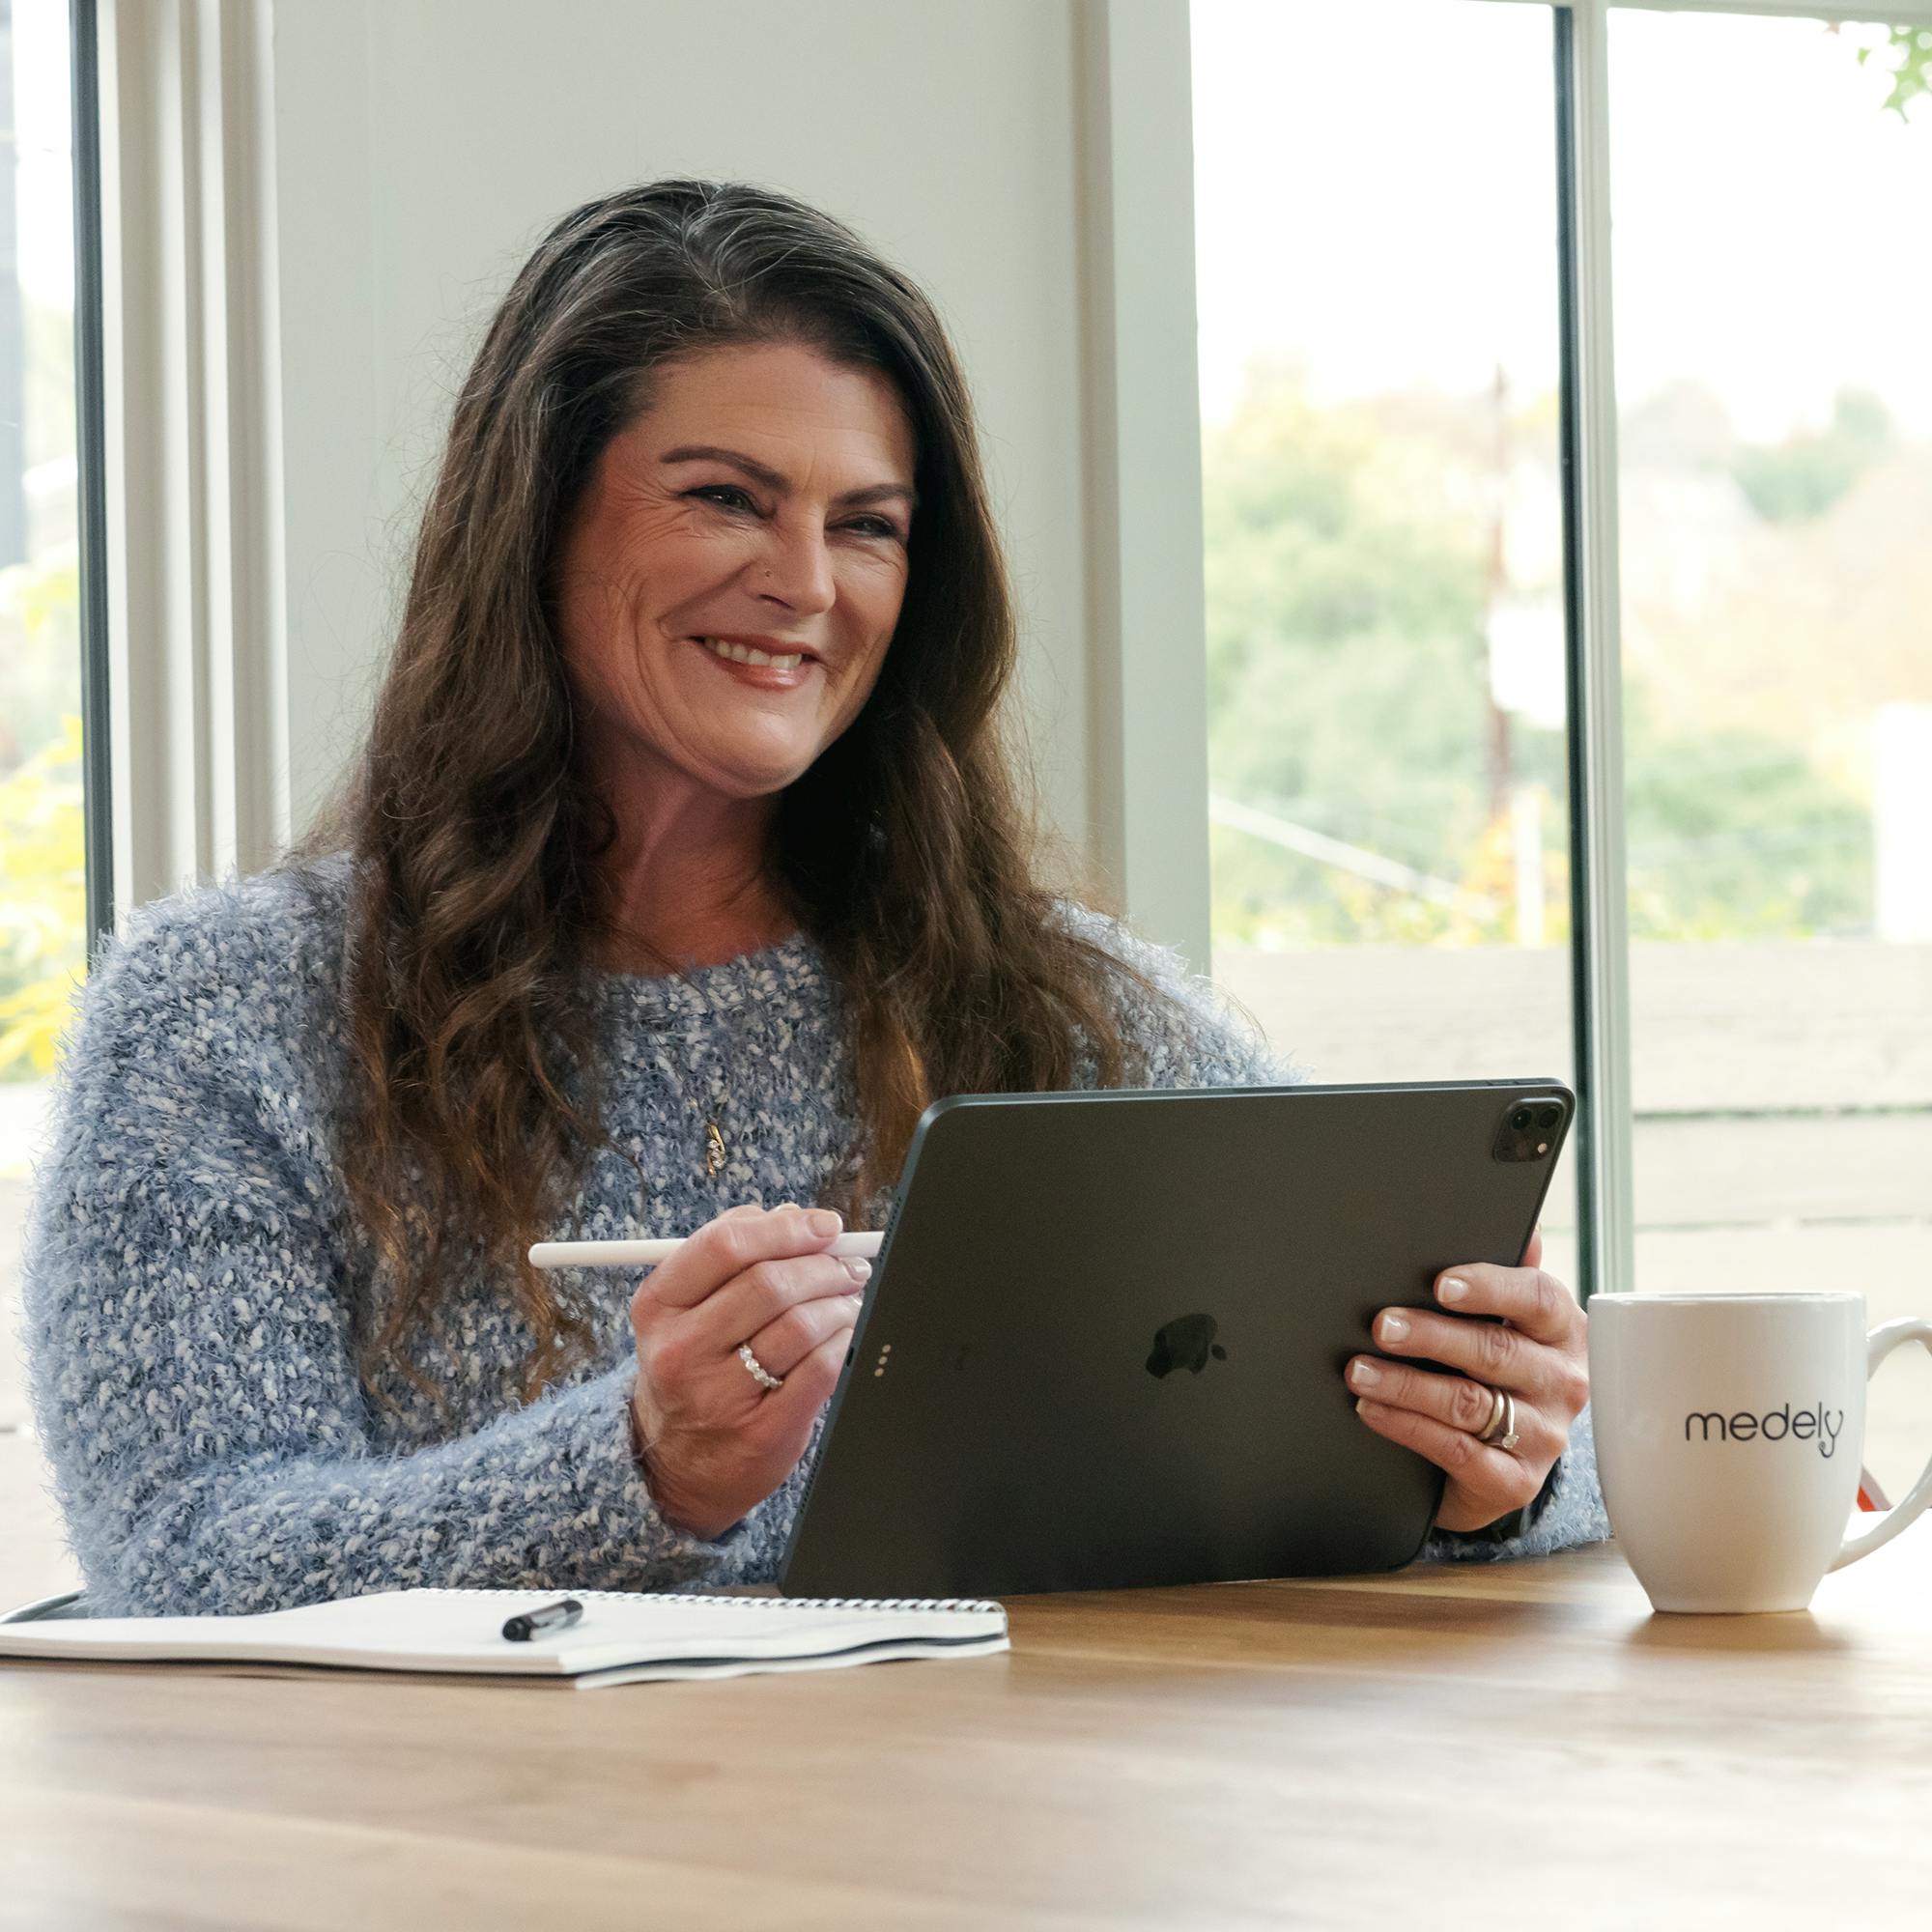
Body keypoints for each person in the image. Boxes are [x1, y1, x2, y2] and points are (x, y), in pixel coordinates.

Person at [23, 181, 1605, 1617]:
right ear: (534, 517)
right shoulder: (226, 1019)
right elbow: (182, 1558)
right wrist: (640, 1469)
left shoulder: (1071, 1015)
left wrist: (1493, 1467)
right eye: (724, 496)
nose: (808, 582)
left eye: (869, 527)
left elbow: (1555, 1481)